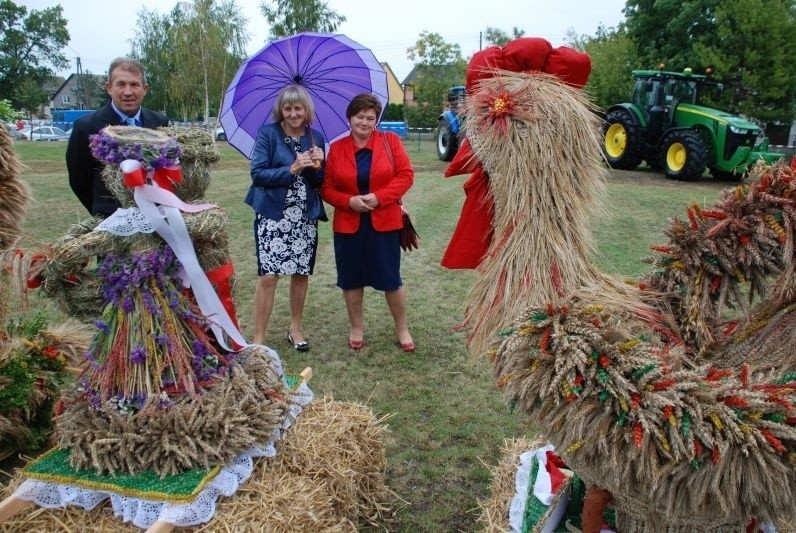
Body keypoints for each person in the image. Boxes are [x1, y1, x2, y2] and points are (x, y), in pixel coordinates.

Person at [321, 93, 415, 352]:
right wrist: (348, 201)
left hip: (384, 222)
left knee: (390, 279)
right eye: (359, 116)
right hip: (348, 224)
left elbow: (406, 175)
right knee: (351, 279)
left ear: (377, 120)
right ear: (349, 118)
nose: (364, 122)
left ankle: (402, 328)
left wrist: (379, 197)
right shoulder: (337, 148)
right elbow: (326, 188)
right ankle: (356, 327)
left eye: (370, 118)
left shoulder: (390, 142)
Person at [247, 84, 326, 351]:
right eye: (288, 108)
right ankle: (259, 337)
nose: (293, 113)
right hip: (273, 214)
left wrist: (319, 165)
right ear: (281, 110)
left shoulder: (315, 137)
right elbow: (257, 174)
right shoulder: (268, 134)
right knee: (269, 276)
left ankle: (295, 328)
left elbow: (319, 182)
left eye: (298, 108)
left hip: (304, 216)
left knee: (300, 273)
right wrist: (291, 168)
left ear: (307, 110)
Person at [66, 57, 168, 216]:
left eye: (134, 84)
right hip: (111, 219)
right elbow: (79, 180)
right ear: (109, 87)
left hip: (158, 217)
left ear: (145, 89)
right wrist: (102, 209)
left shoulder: (160, 123)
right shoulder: (85, 128)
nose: (128, 92)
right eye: (121, 84)